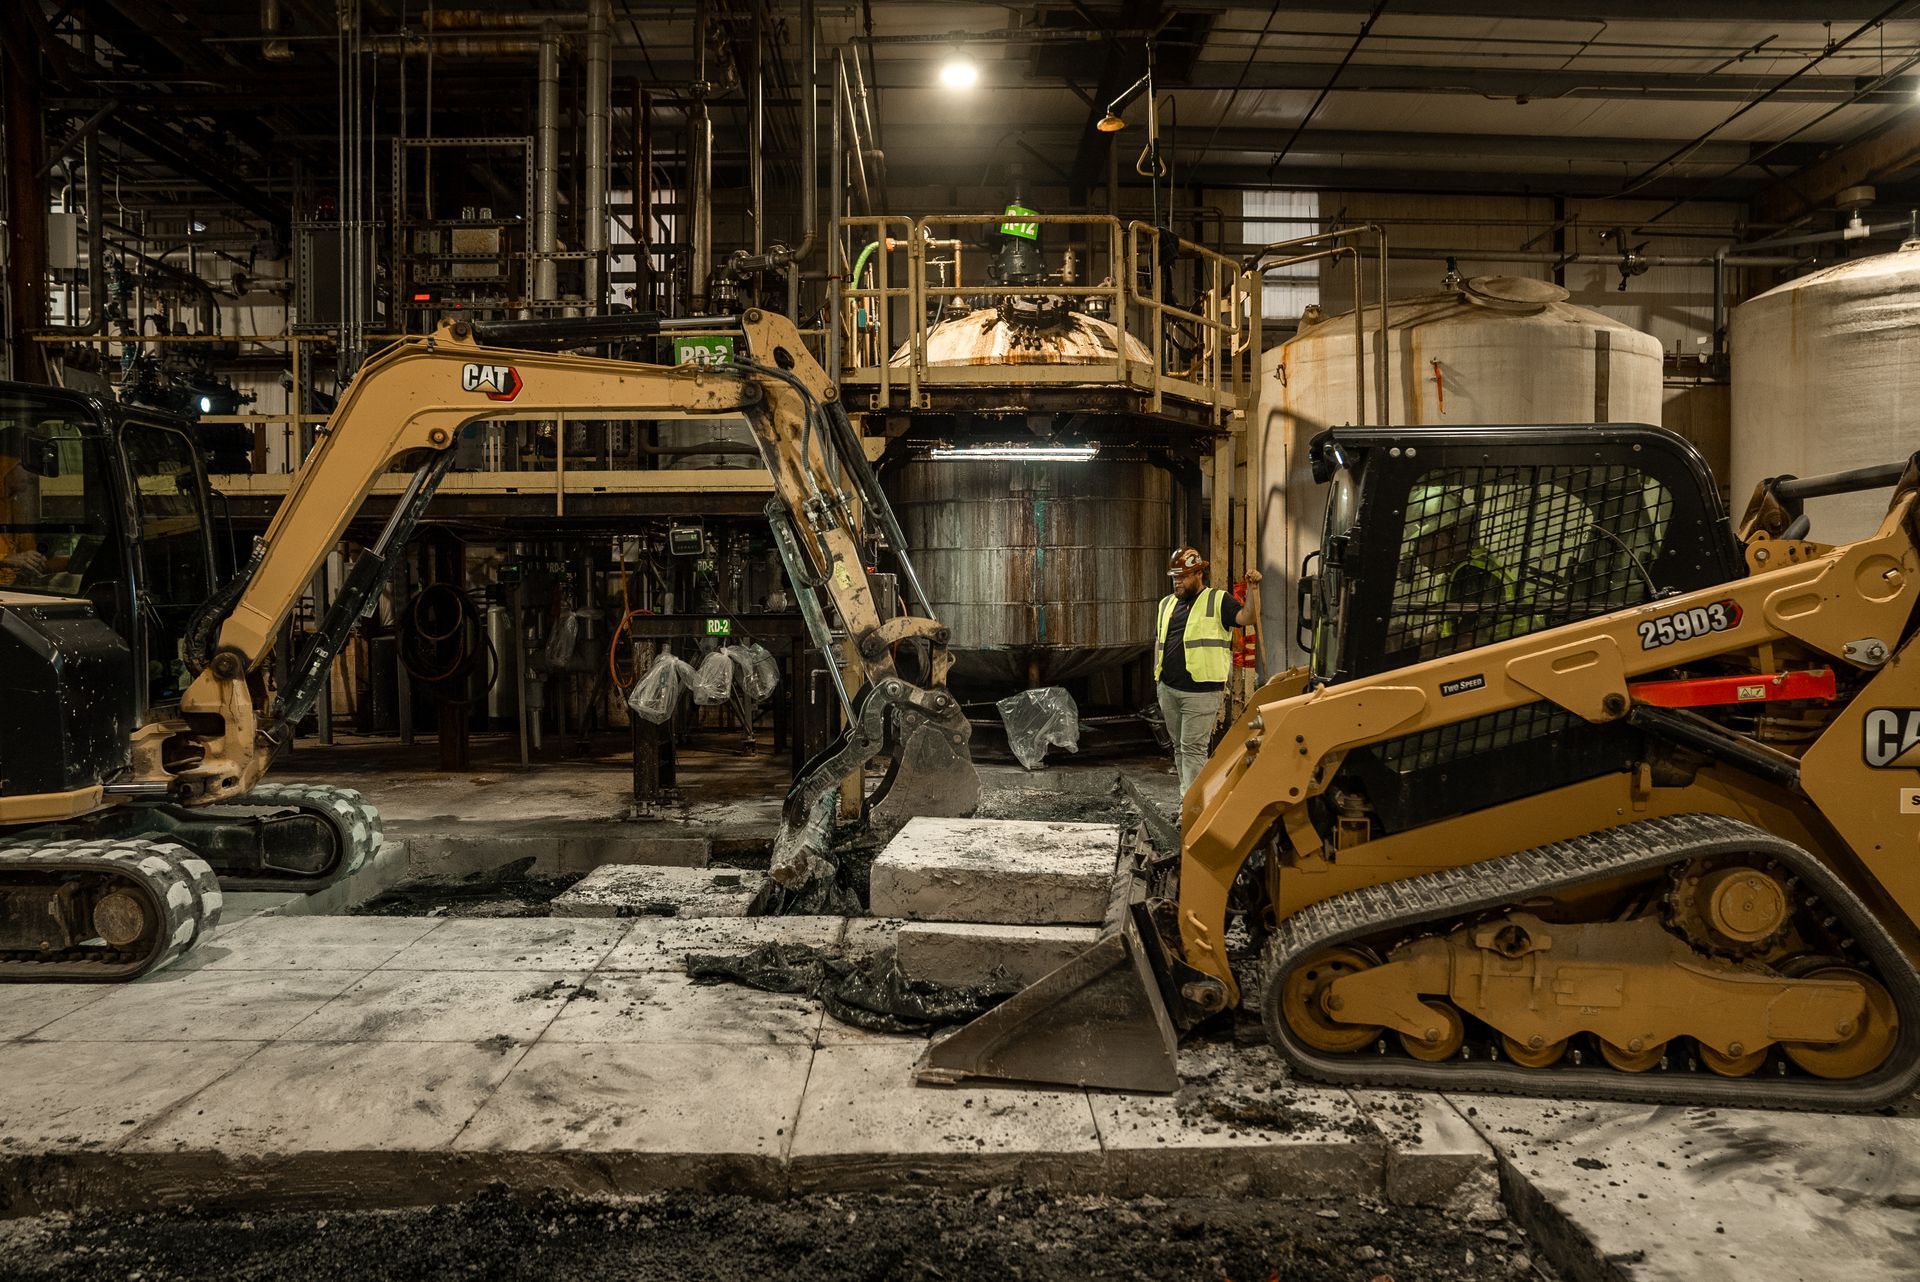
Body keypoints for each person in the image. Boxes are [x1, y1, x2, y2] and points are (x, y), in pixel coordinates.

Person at [1154, 546, 1259, 797]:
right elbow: (1159, 641)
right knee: (1179, 748)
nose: (1177, 582)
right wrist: (1157, 678)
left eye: (1183, 577)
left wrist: (1254, 590)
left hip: (1201, 691)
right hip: (1168, 688)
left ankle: (1194, 807)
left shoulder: (1218, 600)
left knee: (1192, 749)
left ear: (1200, 573)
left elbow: (1248, 618)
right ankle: (1187, 799)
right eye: (1175, 578)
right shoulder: (1167, 604)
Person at [0, 434, 47, 588]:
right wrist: (6, 559)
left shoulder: (15, 508)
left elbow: (27, 554)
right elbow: (15, 559)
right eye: (26, 466)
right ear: (5, 465)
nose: (33, 476)